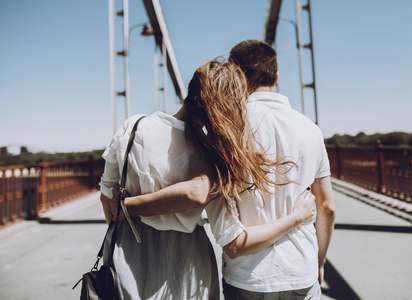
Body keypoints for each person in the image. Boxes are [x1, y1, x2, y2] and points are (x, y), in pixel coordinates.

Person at [110, 40, 336, 300]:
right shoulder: (311, 129)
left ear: (235, 76)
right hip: (301, 273)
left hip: (248, 280)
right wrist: (318, 262)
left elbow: (230, 237)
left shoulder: (227, 131)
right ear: (275, 79)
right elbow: (327, 206)